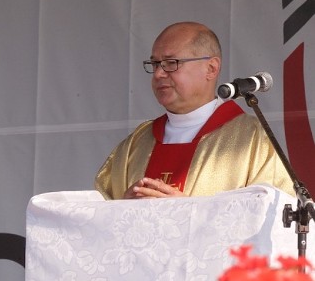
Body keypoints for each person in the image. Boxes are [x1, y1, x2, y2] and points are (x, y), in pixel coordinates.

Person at [95, 21, 294, 199]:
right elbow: (97, 215)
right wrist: (122, 209)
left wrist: (187, 213)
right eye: (155, 63)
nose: (158, 73)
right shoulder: (137, 143)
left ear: (211, 69)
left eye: (171, 63)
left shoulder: (251, 139)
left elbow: (270, 218)